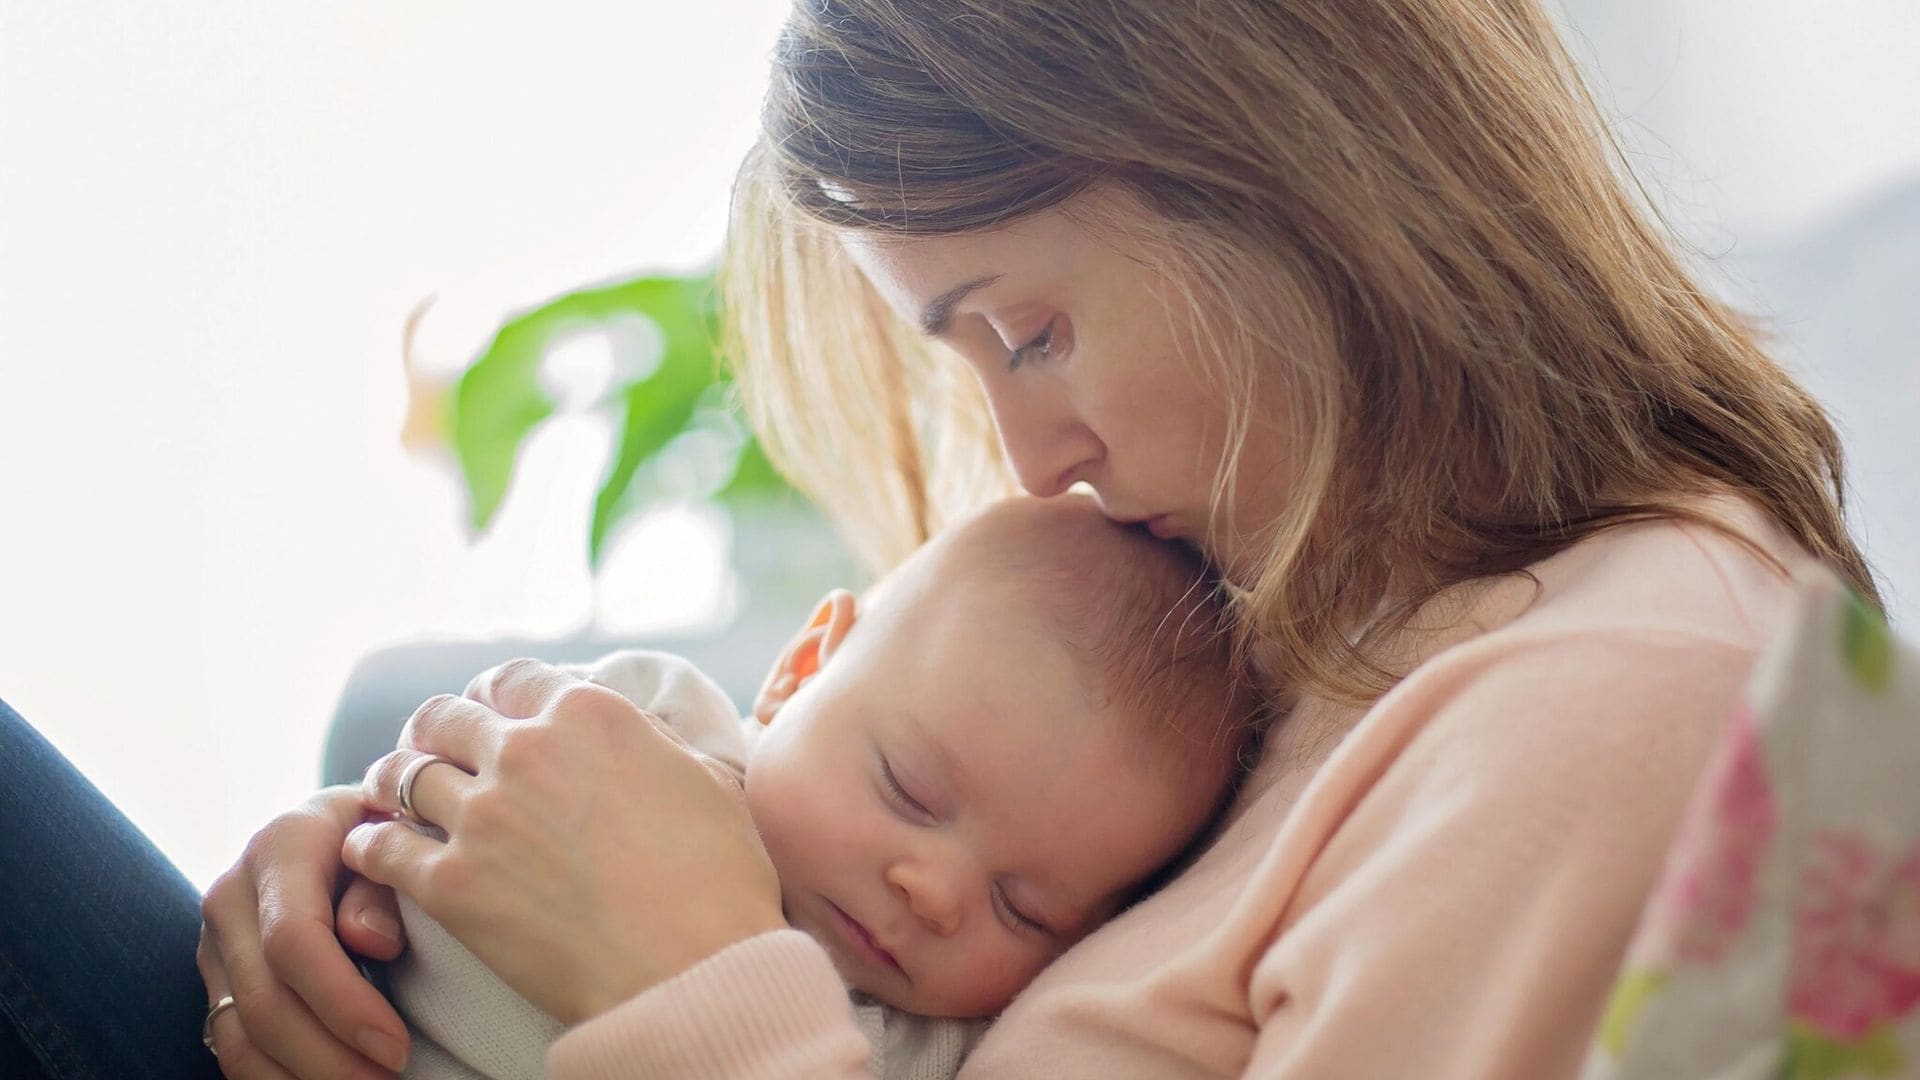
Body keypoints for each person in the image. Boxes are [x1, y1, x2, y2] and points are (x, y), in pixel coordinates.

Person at [0, 0, 1887, 1077]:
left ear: (1294, 176)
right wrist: (378, 892)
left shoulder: (1645, 702)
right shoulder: (1304, 635)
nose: (1035, 457)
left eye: (1032, 331)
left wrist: (690, 986)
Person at [386, 495, 1251, 1079]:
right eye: (907, 791)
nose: (936, 894)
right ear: (802, 669)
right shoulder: (641, 722)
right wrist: (320, 848)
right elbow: (417, 788)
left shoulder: (939, 1051)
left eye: (1024, 908)